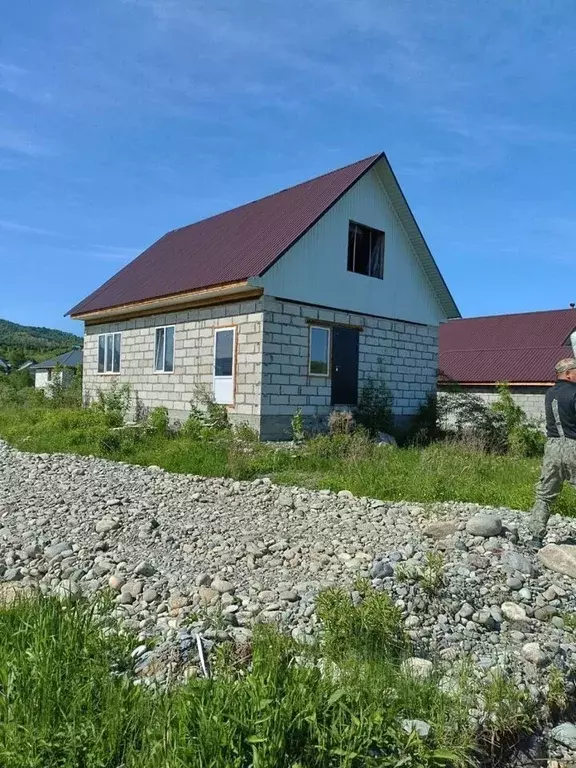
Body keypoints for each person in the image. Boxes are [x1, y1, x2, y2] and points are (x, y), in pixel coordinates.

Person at [529, 357, 576, 548]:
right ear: (568, 373)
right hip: (573, 445)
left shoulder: (549, 393)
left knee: (545, 493)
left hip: (552, 447)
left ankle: (536, 537)